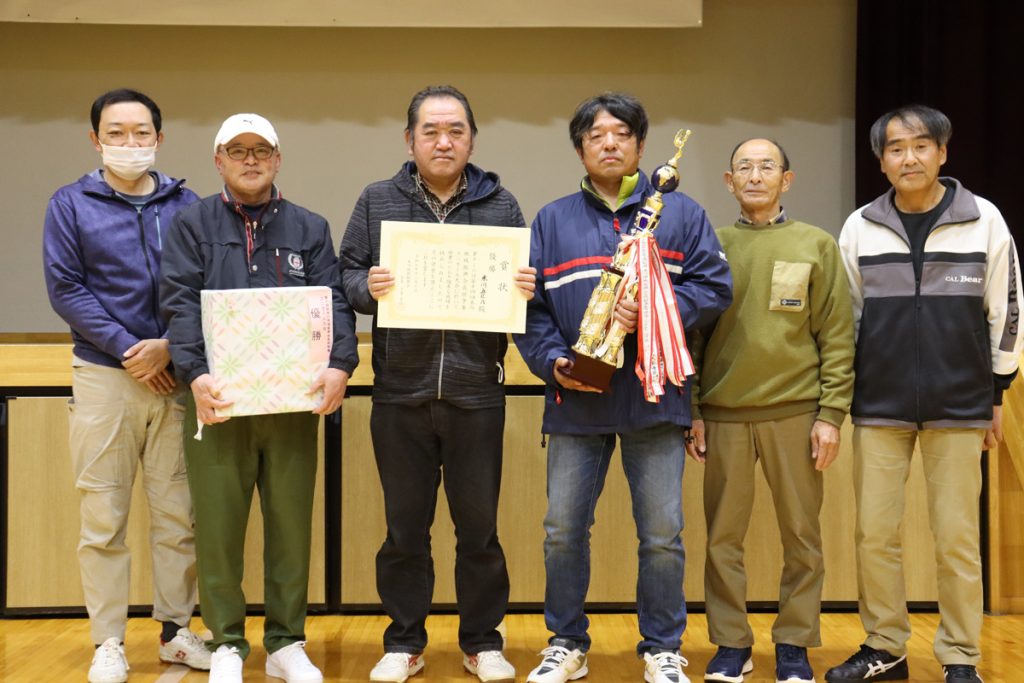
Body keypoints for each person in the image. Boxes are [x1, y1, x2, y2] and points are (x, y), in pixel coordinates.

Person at [513, 92, 732, 683]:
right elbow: (529, 310)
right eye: (595, 136)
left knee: (661, 534)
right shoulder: (551, 220)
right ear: (580, 149)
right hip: (576, 400)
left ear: (640, 144)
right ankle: (566, 643)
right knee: (562, 533)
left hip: (655, 396)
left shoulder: (680, 214)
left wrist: (657, 310)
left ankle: (662, 647)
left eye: (621, 134)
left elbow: (715, 288)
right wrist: (552, 362)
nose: (609, 144)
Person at [339, 85, 534, 683]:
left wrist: (525, 288)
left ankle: (482, 642)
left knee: (479, 531)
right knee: (404, 531)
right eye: (431, 131)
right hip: (400, 391)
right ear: (410, 140)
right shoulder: (377, 200)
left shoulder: (501, 205)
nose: (443, 141)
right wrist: (365, 287)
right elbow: (345, 275)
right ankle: (404, 641)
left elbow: (522, 288)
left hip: (477, 394)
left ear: (471, 139)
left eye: (456, 130)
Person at [824, 105, 1022, 683]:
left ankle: (961, 656)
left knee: (957, 538)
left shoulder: (984, 220)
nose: (908, 158)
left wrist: (996, 393)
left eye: (920, 146)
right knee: (874, 535)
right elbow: (845, 320)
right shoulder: (860, 227)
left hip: (959, 404)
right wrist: (840, 397)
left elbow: (1007, 309)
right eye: (895, 149)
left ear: (942, 152)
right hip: (878, 404)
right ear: (881, 161)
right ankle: (885, 647)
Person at [160, 113, 358, 683]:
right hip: (217, 402)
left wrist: (340, 363)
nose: (251, 160)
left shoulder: (309, 226)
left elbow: (333, 302)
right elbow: (178, 301)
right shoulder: (192, 224)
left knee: (291, 525)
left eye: (261, 150)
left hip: (294, 403)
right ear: (218, 160)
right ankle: (226, 641)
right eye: (237, 150)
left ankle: (285, 643)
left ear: (277, 159)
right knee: (218, 528)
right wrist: (195, 374)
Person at [43, 88, 210, 683]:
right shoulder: (70, 204)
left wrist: (169, 345)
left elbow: (203, 283)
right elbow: (66, 288)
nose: (129, 143)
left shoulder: (187, 204)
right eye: (116, 133)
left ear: (159, 139)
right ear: (96, 140)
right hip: (104, 377)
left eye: (141, 133)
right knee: (103, 518)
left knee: (179, 516)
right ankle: (108, 641)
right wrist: (128, 350)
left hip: (175, 378)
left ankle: (175, 632)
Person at [687, 138, 854, 683]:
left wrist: (831, 414)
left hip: (797, 413)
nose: (755, 175)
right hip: (724, 413)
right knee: (721, 539)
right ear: (729, 181)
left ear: (787, 179)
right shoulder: (711, 246)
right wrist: (693, 408)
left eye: (767, 167)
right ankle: (731, 643)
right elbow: (691, 336)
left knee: (802, 537)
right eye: (744, 167)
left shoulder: (816, 244)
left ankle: (794, 644)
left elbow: (837, 335)